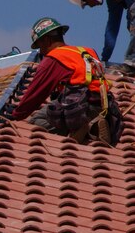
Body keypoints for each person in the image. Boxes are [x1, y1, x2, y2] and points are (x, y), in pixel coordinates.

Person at [11, 17, 122, 145]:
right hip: (105, 107)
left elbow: (35, 94)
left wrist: (16, 115)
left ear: (47, 40)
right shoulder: (87, 51)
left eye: (39, 45)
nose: (40, 51)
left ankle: (80, 128)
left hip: (78, 107)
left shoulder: (54, 58)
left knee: (37, 120)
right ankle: (92, 128)